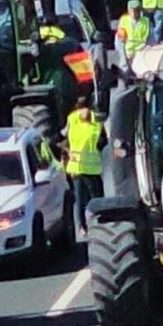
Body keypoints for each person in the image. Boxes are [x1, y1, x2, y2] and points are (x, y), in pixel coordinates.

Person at [64, 94, 105, 237]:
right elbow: (63, 139)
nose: (83, 114)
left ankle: (100, 222)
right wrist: (67, 152)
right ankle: (82, 227)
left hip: (93, 168)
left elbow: (103, 141)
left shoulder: (97, 123)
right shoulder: (72, 121)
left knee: (97, 198)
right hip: (77, 169)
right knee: (80, 200)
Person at [116, 0, 150, 70]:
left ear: (140, 11)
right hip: (127, 51)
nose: (134, 14)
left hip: (141, 51)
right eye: (132, 11)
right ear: (128, 11)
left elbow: (150, 39)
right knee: (125, 71)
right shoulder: (124, 20)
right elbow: (120, 39)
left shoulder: (146, 21)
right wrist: (123, 56)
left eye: (136, 11)